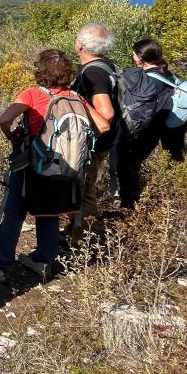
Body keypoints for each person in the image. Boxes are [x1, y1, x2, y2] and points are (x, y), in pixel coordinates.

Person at [0, 49, 109, 283]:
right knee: (49, 213)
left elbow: (4, 119)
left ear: (40, 70)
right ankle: (43, 260)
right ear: (67, 73)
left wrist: (12, 135)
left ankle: (2, 267)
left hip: (32, 166)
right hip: (64, 168)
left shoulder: (32, 94)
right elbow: (103, 126)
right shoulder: (75, 98)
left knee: (14, 213)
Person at [116, 38, 186, 209]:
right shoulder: (170, 76)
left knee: (128, 165)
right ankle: (176, 200)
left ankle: (129, 208)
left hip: (147, 129)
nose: (133, 57)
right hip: (170, 129)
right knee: (172, 165)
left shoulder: (142, 79)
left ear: (140, 57)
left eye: (134, 54)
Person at [68, 23, 119, 240]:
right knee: (83, 186)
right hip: (105, 141)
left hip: (93, 142)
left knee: (84, 189)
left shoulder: (94, 73)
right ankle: (78, 230)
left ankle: (85, 239)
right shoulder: (109, 65)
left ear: (79, 45)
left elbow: (105, 113)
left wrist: (77, 99)